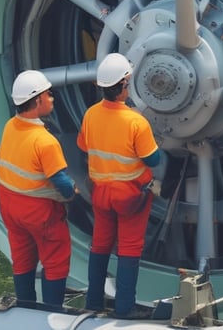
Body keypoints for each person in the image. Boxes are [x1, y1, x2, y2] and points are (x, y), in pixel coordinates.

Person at [77, 53, 161, 318]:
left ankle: (93, 302)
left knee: (100, 246)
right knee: (129, 248)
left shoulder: (91, 114)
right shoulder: (135, 121)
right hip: (130, 196)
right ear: (124, 84)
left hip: (101, 192)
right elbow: (154, 159)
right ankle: (125, 307)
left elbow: (83, 145)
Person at [0, 70, 77, 308]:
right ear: (39, 100)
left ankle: (25, 309)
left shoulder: (11, 126)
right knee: (55, 261)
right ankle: (50, 312)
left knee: (22, 259)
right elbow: (62, 184)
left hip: (9, 204)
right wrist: (73, 192)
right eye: (49, 94)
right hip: (38, 212)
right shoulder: (45, 141)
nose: (52, 98)